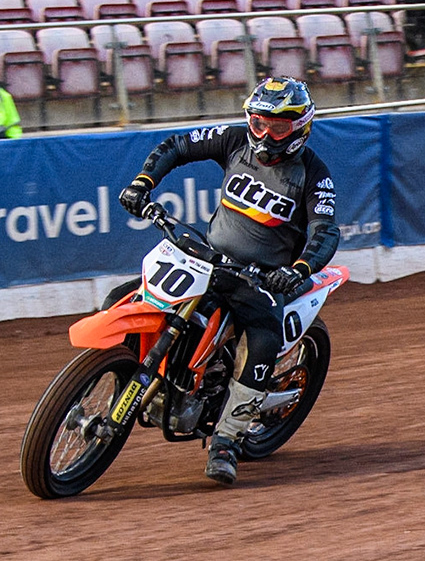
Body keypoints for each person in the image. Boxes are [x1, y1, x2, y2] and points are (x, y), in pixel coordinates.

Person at [116, 78, 338, 483]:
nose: (265, 135)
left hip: (261, 280)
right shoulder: (234, 140)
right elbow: (178, 146)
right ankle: (121, 377)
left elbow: (326, 231)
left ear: (301, 127)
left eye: (278, 127)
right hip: (206, 256)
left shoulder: (314, 174)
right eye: (257, 123)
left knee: (264, 341)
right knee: (122, 295)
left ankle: (226, 442)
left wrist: (299, 269)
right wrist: (144, 182)